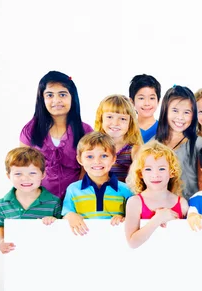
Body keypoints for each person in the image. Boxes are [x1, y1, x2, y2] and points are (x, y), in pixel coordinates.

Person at [19, 71, 93, 200]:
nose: (56, 100)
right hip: (39, 201)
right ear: (42, 99)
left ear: (72, 97)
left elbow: (87, 168)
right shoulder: (30, 130)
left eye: (62, 94)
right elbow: (22, 166)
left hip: (76, 200)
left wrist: (76, 196)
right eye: (50, 95)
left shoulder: (85, 130)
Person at [62, 132, 133, 235]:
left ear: (113, 159)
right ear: (79, 159)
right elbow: (66, 214)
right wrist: (70, 215)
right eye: (90, 157)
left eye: (104, 156)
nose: (97, 161)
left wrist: (123, 218)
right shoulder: (73, 189)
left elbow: (134, 218)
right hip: (84, 240)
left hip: (115, 240)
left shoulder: (126, 190)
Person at [0, 147, 61, 254]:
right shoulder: (3, 204)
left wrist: (54, 220)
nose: (25, 178)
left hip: (46, 254)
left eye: (32, 173)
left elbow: (62, 229)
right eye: (18, 174)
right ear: (8, 176)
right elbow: (0, 226)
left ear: (43, 174)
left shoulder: (54, 202)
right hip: (16, 256)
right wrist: (1, 241)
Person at [124, 142, 189, 248]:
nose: (155, 174)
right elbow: (132, 242)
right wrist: (158, 219)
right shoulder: (134, 202)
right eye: (148, 169)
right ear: (141, 173)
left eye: (162, 169)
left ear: (172, 172)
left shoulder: (182, 203)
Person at [153, 85, 202, 200]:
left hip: (191, 211)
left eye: (186, 112)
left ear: (193, 115)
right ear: (165, 111)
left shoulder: (199, 145)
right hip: (159, 209)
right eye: (175, 111)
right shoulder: (152, 145)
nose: (180, 117)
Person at [94, 94, 143, 182]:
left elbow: (138, 182)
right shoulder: (92, 147)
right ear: (101, 119)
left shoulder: (135, 150)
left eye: (123, 119)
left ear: (130, 122)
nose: (115, 123)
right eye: (109, 117)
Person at [128, 74, 161, 143]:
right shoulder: (126, 128)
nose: (147, 103)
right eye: (141, 98)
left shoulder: (164, 129)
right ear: (131, 102)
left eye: (152, 98)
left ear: (158, 101)